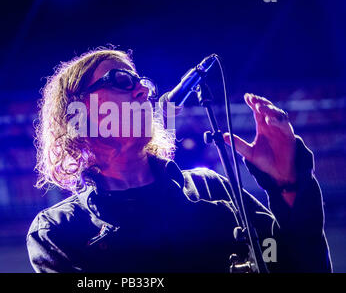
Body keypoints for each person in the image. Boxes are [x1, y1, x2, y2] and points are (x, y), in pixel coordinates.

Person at [26, 47, 332, 273]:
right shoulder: (58, 231)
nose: (142, 89)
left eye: (140, 80)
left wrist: (286, 186)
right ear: (78, 111)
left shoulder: (213, 189)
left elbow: (303, 267)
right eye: (120, 79)